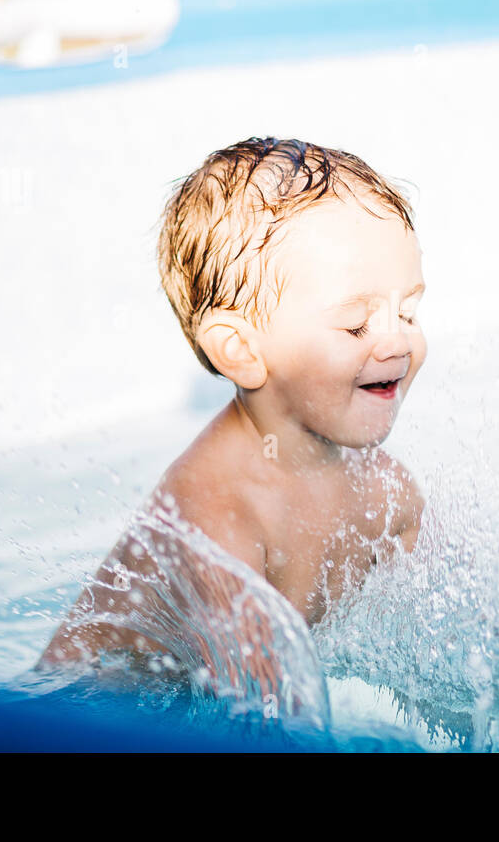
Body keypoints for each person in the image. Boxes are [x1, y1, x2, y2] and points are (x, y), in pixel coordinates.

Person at [37, 137, 427, 707]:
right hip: (69, 720)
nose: (398, 340)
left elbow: (451, 648)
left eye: (410, 311)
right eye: (355, 326)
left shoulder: (387, 493)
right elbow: (258, 721)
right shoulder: (216, 515)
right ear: (241, 351)